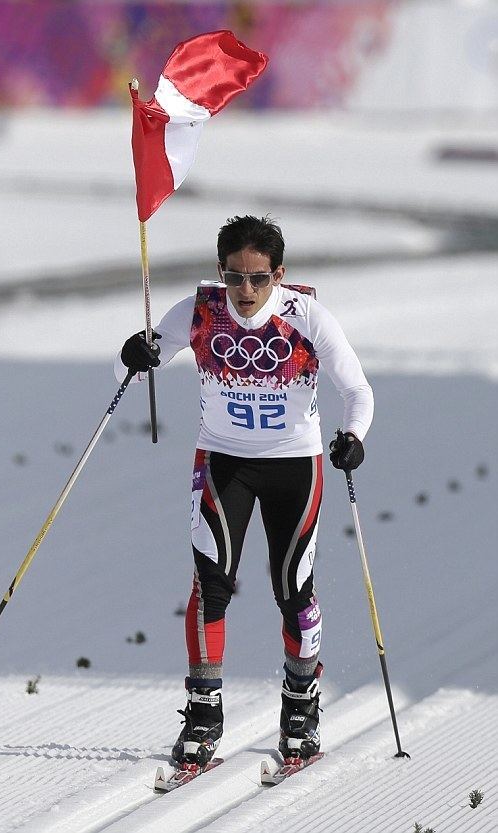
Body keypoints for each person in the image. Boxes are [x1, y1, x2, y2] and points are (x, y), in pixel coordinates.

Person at [116, 215, 373, 768]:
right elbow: (149, 360)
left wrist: (353, 437)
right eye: (235, 277)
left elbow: (357, 391)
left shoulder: (307, 317)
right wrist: (138, 354)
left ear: (279, 274)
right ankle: (203, 714)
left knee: (292, 588)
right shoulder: (200, 310)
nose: (246, 291)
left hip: (293, 469)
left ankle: (300, 705)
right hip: (222, 462)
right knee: (211, 585)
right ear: (221, 271)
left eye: (259, 278)